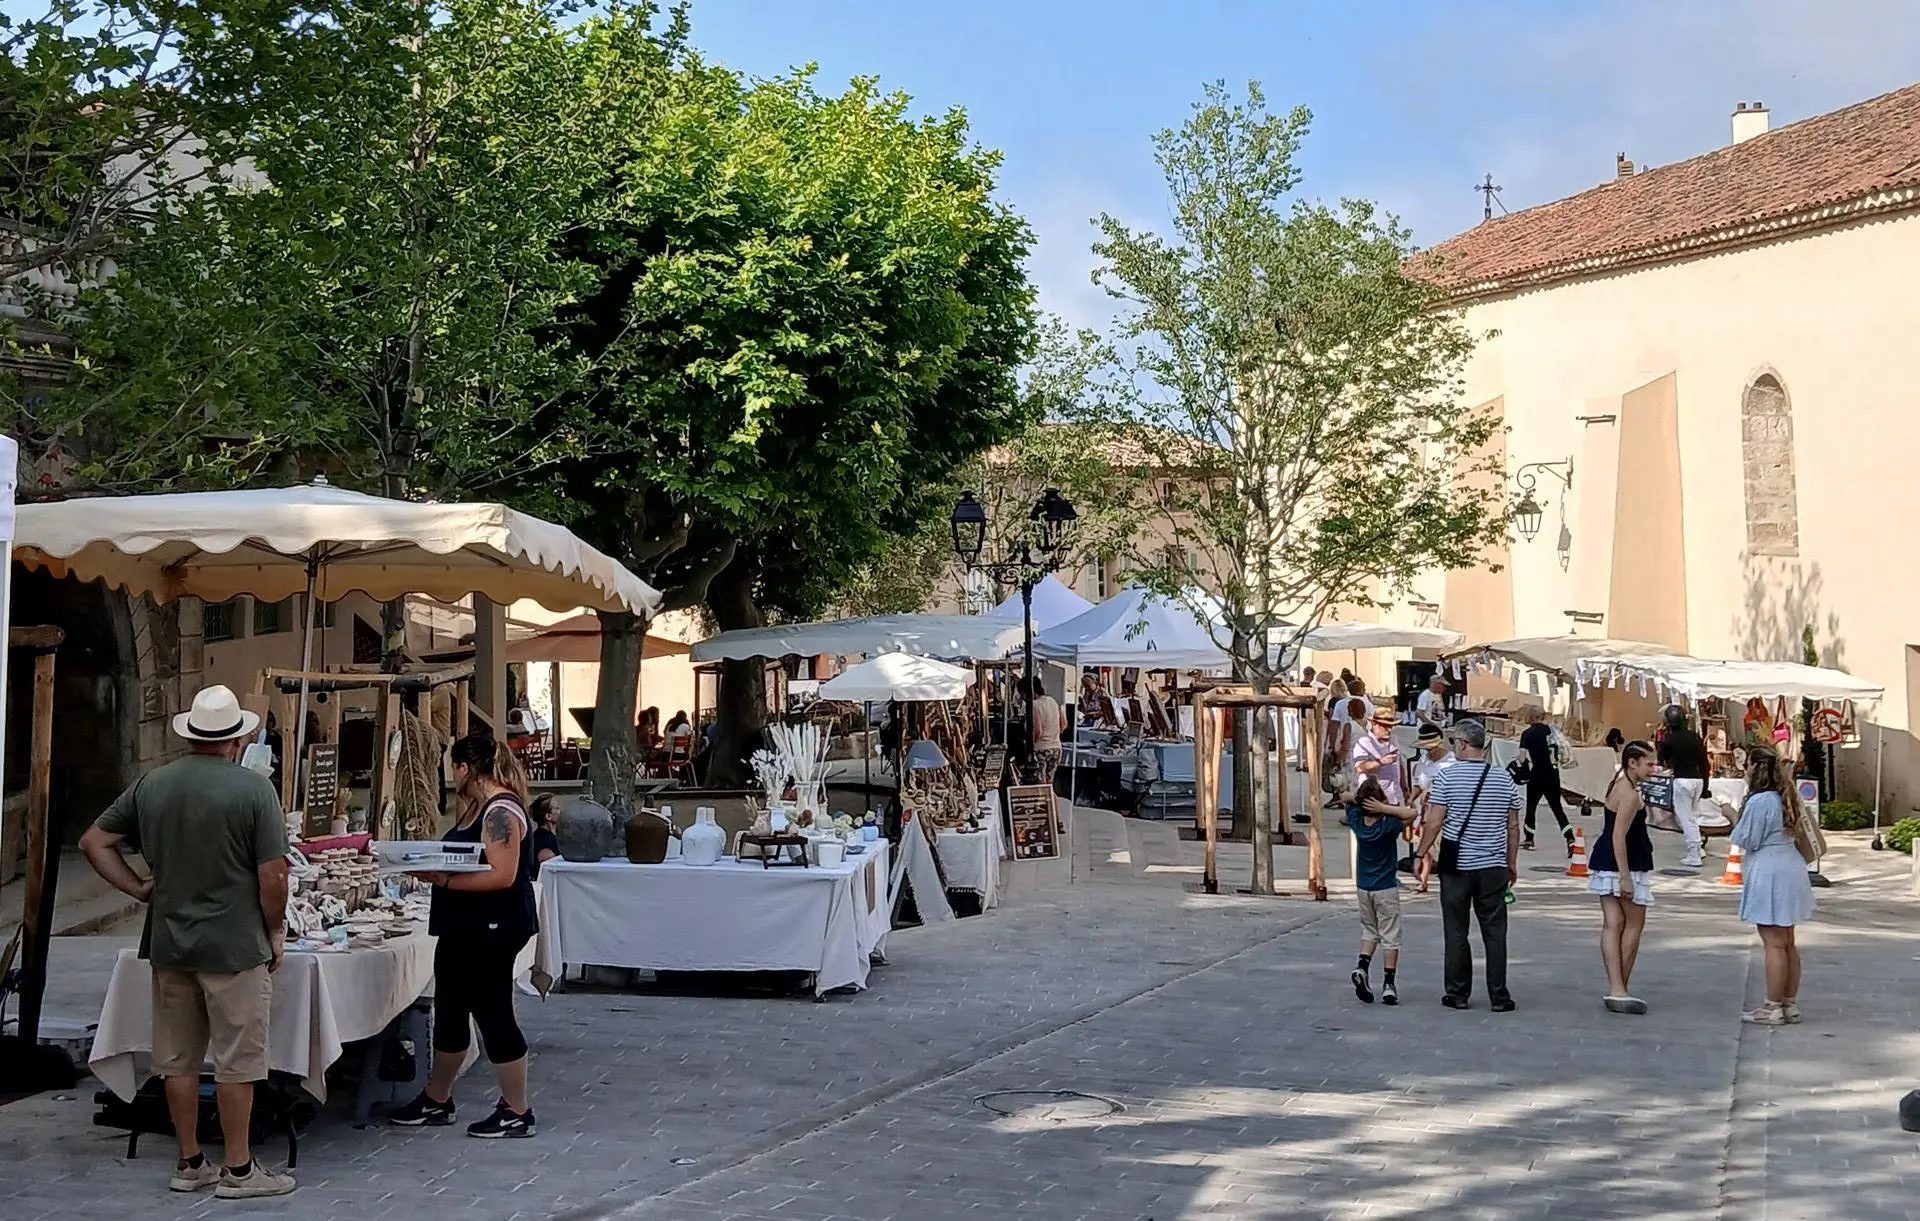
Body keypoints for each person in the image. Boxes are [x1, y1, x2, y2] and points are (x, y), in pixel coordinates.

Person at [78, 685, 296, 1199]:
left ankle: (189, 1160)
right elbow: (273, 877)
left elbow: (94, 841)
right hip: (234, 943)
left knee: (175, 1058)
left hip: (171, 939)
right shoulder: (252, 790)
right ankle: (238, 1170)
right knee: (238, 1059)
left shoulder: (154, 784)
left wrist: (136, 888)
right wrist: (275, 928)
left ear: (192, 734)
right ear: (236, 739)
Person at [391, 734, 540, 1137]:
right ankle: (437, 1098)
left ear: (464, 768)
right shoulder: (476, 807)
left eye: (450, 767)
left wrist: (442, 879)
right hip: (463, 926)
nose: (448, 775)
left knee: (493, 1012)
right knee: (452, 1007)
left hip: (492, 928)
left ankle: (516, 1108)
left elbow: (502, 874)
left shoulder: (499, 812)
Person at [1418, 719, 1522, 1012]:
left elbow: (1435, 821)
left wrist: (1420, 853)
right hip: (1493, 867)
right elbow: (1513, 827)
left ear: (1462, 744)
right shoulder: (1504, 779)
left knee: (1456, 930)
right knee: (1495, 932)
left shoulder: (1447, 779)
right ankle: (1499, 995)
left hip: (1456, 867)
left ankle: (1457, 993)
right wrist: (1511, 862)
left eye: (1453, 742)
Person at [1733, 746, 1817, 1026]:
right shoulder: (1788, 794)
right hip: (1791, 865)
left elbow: (1747, 838)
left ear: (1754, 769)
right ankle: (1789, 1003)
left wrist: (1731, 815)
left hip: (1769, 870)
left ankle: (1771, 1007)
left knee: (1773, 943)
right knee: (1788, 941)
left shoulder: (1760, 802)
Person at [1592, 741, 1658, 1014]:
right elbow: (1619, 835)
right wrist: (1625, 877)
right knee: (1632, 923)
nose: (1653, 769)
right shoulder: (1629, 794)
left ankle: (1616, 987)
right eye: (1649, 763)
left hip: (1605, 859)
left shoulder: (1618, 784)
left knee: (1613, 922)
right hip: (1626, 862)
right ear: (1633, 762)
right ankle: (1620, 985)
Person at [1346, 777, 1415, 1005]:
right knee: (1390, 935)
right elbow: (1411, 814)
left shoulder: (1356, 820)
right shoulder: (1388, 826)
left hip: (1363, 886)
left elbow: (1345, 798)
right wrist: (1385, 808)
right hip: (1385, 887)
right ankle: (1389, 984)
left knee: (1369, 930)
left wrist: (1358, 801)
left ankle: (1362, 966)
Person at [1657, 704, 1711, 868]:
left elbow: (1661, 760)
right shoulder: (1695, 737)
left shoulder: (1669, 739)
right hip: (1698, 780)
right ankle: (1699, 848)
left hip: (1682, 780)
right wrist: (1705, 787)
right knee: (1692, 815)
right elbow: (1704, 763)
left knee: (1685, 818)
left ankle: (1694, 852)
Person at [1408, 723, 1456, 894]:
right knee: (1425, 846)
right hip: (1425, 810)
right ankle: (1424, 880)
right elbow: (1419, 784)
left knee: (1444, 847)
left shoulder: (1452, 762)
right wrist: (1410, 798)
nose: (1429, 751)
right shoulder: (1424, 760)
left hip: (1446, 811)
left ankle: (1448, 880)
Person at [1518, 705, 1573, 854]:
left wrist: (1521, 767)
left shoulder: (1527, 734)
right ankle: (1570, 837)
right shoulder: (1552, 731)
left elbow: (1522, 757)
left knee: (1531, 807)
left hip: (1537, 774)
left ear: (1530, 717)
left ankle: (1529, 838)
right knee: (1557, 808)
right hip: (1553, 773)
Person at [1349, 707, 1405, 804]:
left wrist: (1405, 788)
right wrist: (1381, 762)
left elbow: (1399, 764)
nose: (1389, 730)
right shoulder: (1364, 742)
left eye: (1391, 726)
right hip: (1374, 799)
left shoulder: (1394, 740)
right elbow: (1360, 768)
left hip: (1394, 796)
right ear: (1374, 725)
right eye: (1385, 726)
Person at [1028, 677, 1064, 786]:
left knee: (1041, 784)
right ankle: (1053, 802)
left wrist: (1030, 744)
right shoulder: (1052, 701)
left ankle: (1045, 802)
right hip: (1056, 747)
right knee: (1049, 784)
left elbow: (1037, 730)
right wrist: (1053, 735)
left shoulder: (1034, 705)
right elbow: (1064, 724)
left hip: (1041, 748)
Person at [528, 794, 561, 878]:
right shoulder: (545, 841)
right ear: (548, 816)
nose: (560, 811)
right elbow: (552, 870)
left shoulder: (537, 836)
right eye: (557, 808)